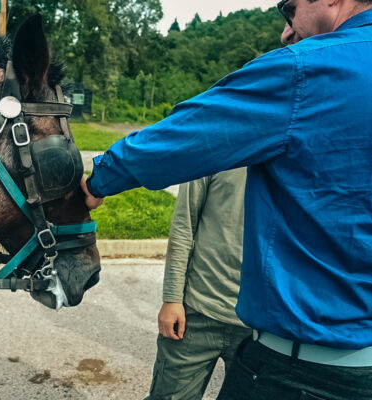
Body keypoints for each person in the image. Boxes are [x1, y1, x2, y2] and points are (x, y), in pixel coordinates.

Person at [80, 0, 372, 398]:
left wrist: (97, 179)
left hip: (296, 373)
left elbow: (184, 136)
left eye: (289, 10)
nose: (286, 32)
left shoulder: (308, 68)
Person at [147, 169, 251, 400]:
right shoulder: (215, 145)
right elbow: (184, 225)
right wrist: (172, 298)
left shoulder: (292, 150)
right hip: (197, 312)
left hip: (259, 326)